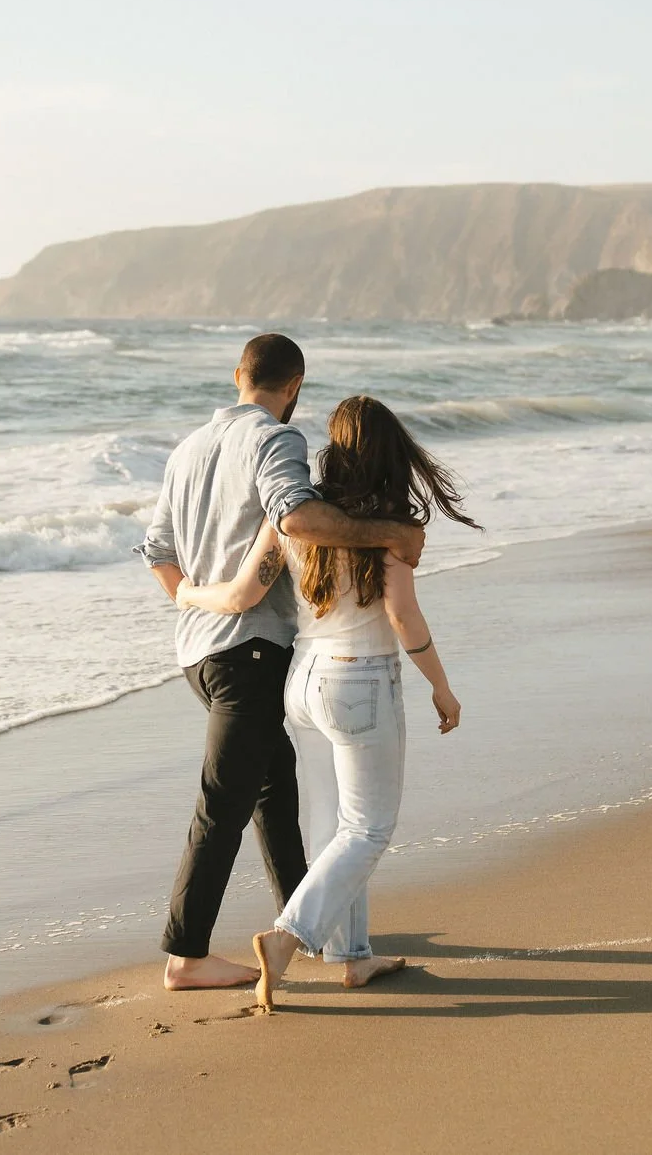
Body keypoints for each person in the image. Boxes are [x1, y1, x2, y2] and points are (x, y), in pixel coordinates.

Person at [140, 336, 428, 991]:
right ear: (294, 385)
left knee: (274, 790)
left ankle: (309, 923)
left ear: (238, 375)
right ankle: (186, 955)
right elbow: (296, 518)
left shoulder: (185, 450)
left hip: (197, 648)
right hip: (252, 648)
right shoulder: (275, 440)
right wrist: (389, 532)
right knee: (227, 802)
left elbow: (157, 550)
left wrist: (193, 599)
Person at [175, 394, 476, 1010]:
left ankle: (351, 956)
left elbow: (239, 594)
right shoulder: (391, 526)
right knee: (368, 828)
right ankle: (288, 938)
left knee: (330, 825)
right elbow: (402, 615)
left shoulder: (295, 517)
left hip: (302, 683)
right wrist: (440, 686)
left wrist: (183, 594)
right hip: (360, 680)